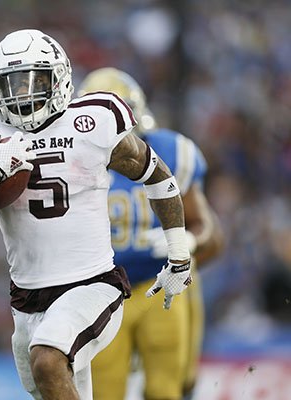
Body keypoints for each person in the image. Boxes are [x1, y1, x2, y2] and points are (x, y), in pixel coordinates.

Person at [0, 29, 193, 400]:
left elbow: (156, 174)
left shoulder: (91, 122)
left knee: (47, 360)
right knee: (50, 382)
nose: (21, 94)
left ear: (59, 78)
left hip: (92, 284)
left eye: (33, 80)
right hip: (27, 298)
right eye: (10, 84)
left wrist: (179, 254)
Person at [78, 67, 224, 400]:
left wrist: (188, 242)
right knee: (104, 393)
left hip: (162, 286)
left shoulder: (170, 151)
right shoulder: (72, 167)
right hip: (104, 294)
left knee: (168, 389)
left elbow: (213, 236)